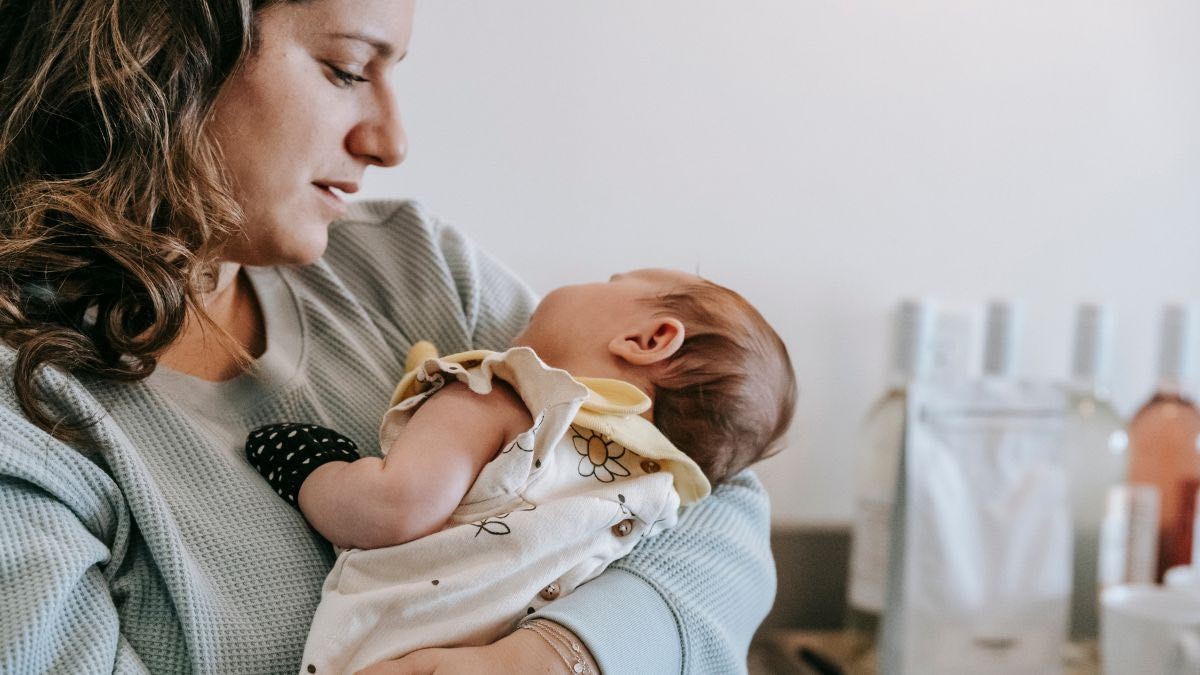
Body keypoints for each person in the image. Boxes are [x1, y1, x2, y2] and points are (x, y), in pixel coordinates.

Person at [0, 1, 779, 673]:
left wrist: (558, 655)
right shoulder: (24, 415)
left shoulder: (412, 264)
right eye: (344, 68)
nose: (391, 140)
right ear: (154, 56)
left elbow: (710, 487)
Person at [244, 269, 797, 673]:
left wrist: (313, 464)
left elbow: (394, 506)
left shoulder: (508, 396)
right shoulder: (657, 488)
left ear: (648, 340)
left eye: (612, 280)